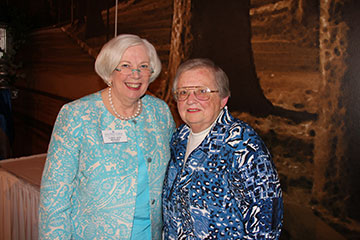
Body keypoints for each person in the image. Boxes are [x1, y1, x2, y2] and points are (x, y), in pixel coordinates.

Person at [38, 34, 175, 239]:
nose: (135, 74)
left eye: (144, 66)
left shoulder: (160, 113)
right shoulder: (78, 115)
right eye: (125, 65)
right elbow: (54, 197)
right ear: (109, 71)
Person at [162, 58, 283, 239]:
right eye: (183, 92)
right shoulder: (179, 139)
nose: (191, 100)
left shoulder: (242, 146)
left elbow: (267, 225)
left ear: (223, 99)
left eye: (202, 91)